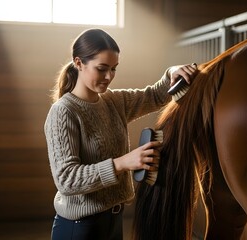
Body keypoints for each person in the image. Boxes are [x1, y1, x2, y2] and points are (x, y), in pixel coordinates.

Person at [44, 28, 197, 240]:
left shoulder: (113, 101)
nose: (109, 77)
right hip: (78, 229)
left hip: (114, 221)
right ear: (78, 63)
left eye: (114, 69)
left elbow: (153, 95)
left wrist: (172, 72)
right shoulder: (63, 111)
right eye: (102, 68)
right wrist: (122, 163)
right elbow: (67, 179)